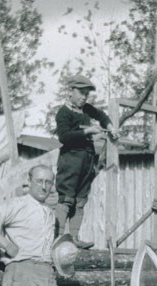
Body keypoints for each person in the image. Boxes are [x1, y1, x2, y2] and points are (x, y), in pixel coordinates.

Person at [54, 74, 119, 249]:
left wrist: (111, 128)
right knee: (66, 199)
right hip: (70, 161)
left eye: (86, 94)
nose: (83, 97)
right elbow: (64, 136)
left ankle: (74, 238)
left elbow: (102, 116)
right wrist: (87, 132)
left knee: (80, 201)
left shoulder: (87, 109)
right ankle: (57, 238)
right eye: (81, 93)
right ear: (70, 92)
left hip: (87, 161)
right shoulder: (64, 113)